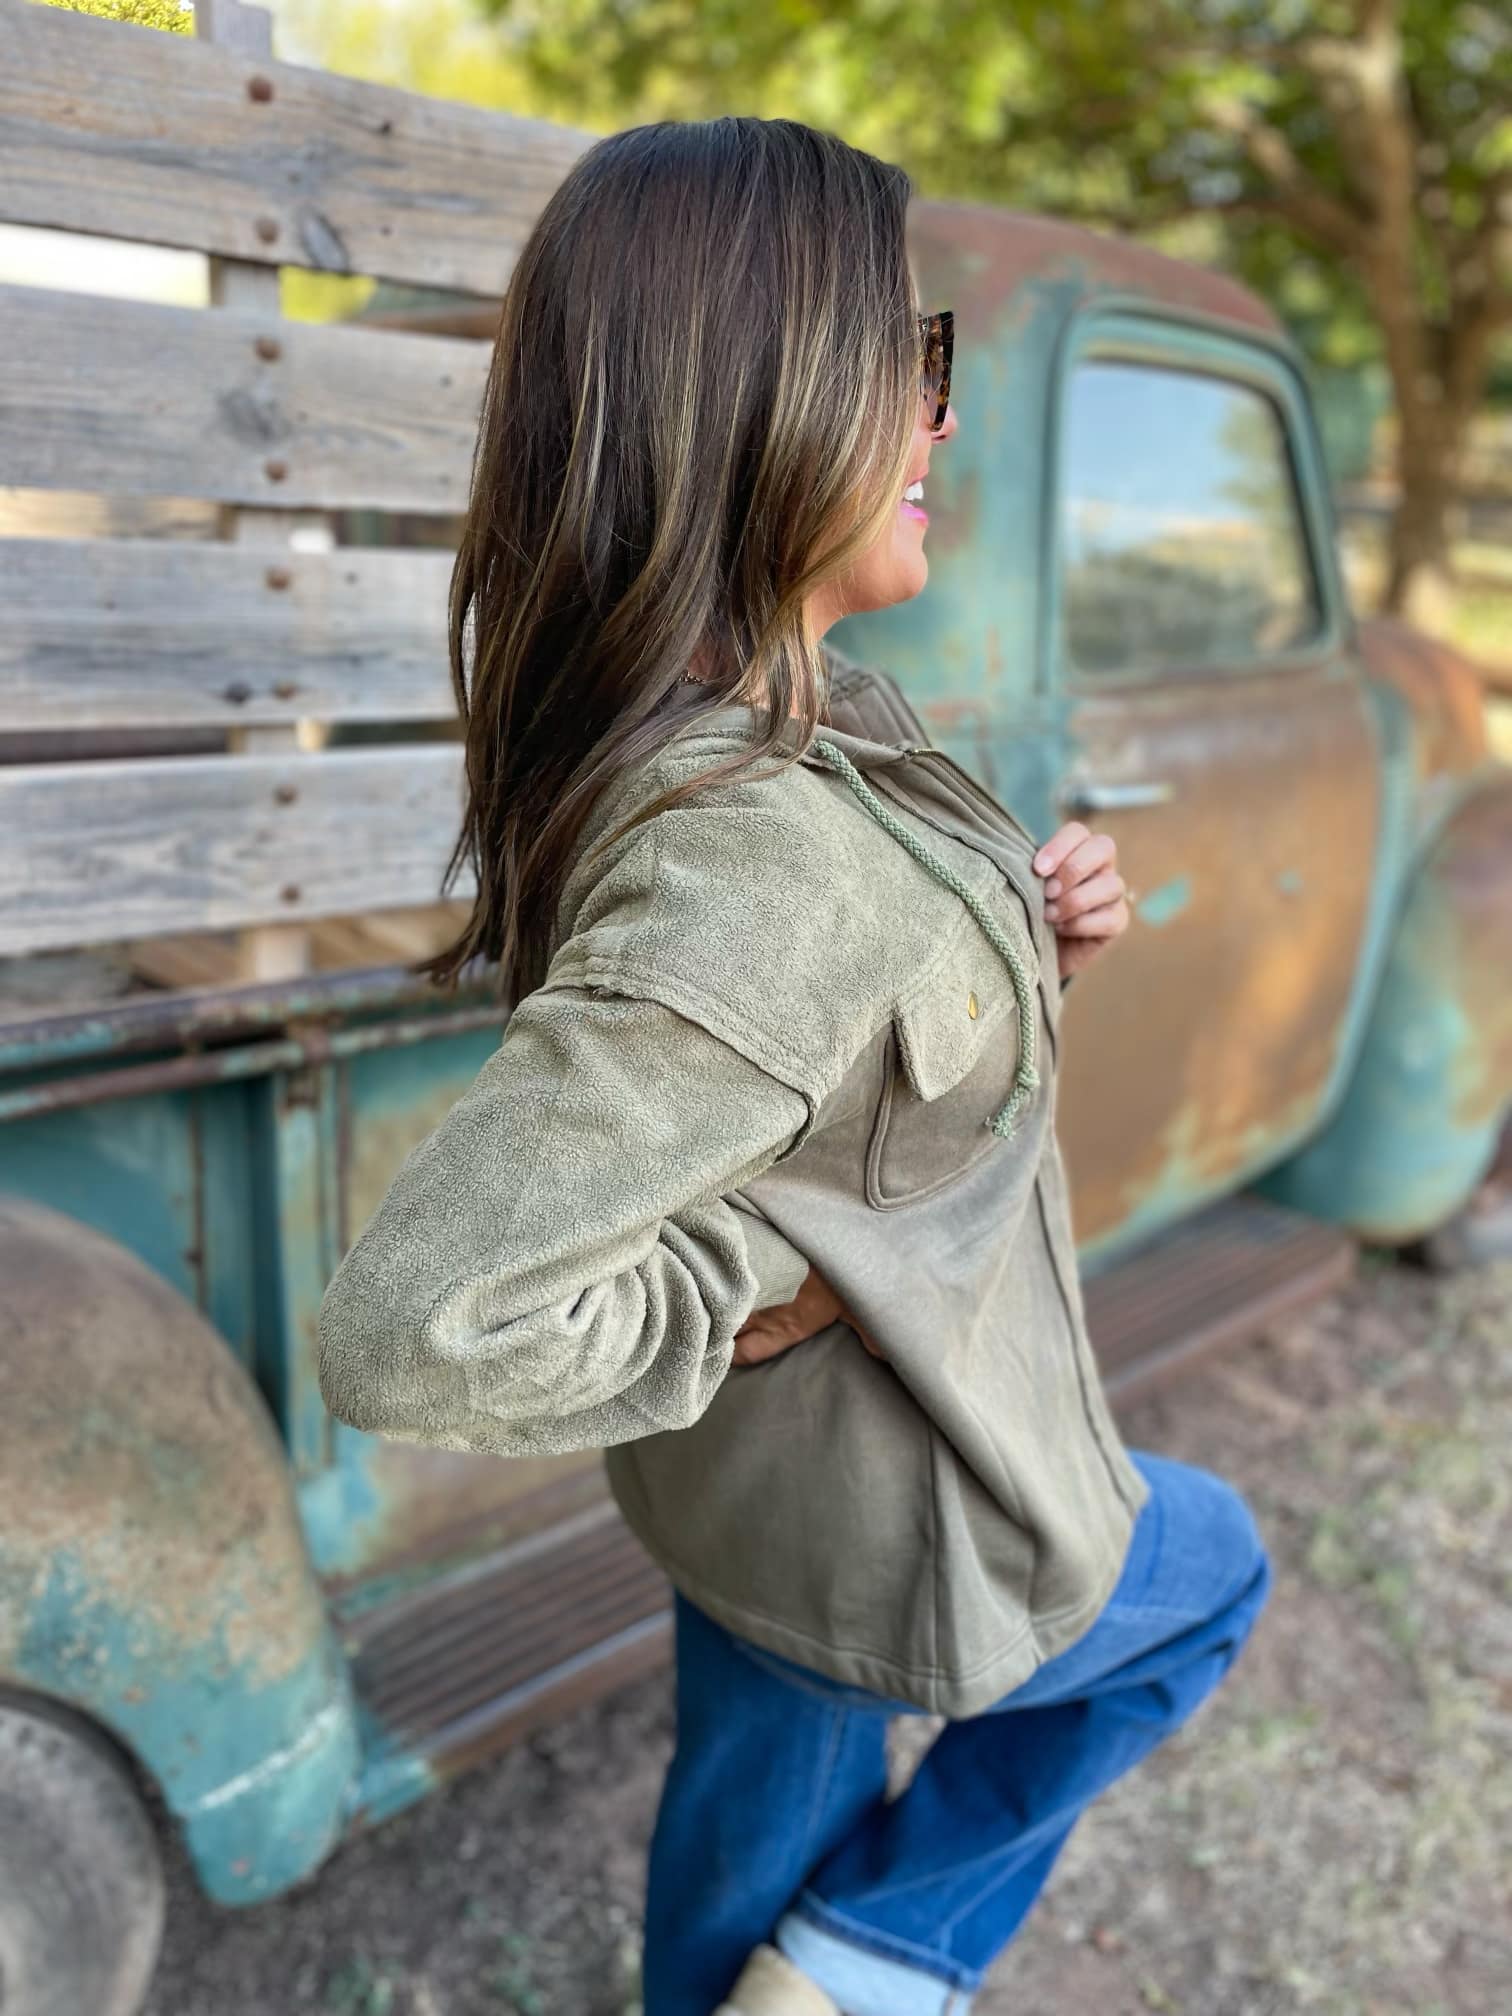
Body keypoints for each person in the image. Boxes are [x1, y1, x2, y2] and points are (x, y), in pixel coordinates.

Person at [317, 116, 1273, 2016]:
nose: (939, 415)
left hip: (753, 1499)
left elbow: (804, 1077)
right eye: (903, 358)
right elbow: (417, 1330)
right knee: (1214, 1580)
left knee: (744, 1835)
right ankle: (871, 1961)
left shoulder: (708, 729)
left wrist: (1021, 957)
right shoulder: (759, 844)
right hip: (895, 1487)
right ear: (756, 398)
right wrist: (768, 1285)